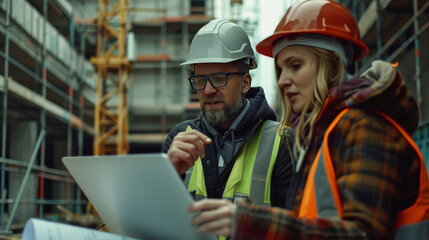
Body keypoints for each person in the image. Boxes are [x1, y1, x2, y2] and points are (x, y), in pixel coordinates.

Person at [188, 1, 429, 239]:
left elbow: (361, 234)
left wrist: (252, 223)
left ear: (332, 64)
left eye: (295, 65)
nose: (282, 81)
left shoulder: (365, 126)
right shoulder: (324, 133)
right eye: (281, 70)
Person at [161, 19, 293, 209]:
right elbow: (158, 220)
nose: (207, 90)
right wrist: (168, 174)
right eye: (200, 80)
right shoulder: (178, 139)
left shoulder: (281, 142)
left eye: (218, 78)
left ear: (245, 83)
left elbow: (292, 227)